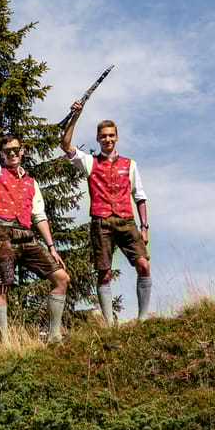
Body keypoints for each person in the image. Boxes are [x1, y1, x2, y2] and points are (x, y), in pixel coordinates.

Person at [0, 92, 70, 344]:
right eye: (8, 151)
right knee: (1, 286)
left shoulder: (31, 182)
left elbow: (40, 216)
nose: (13, 154)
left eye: (16, 149)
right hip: (1, 231)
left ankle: (53, 335)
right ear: (2, 154)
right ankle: (4, 343)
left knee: (61, 278)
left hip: (26, 234)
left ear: (23, 151)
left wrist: (51, 247)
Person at [60, 100, 151, 323]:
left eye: (111, 135)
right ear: (98, 139)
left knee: (143, 265)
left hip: (126, 220)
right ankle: (109, 322)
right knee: (105, 272)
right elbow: (65, 144)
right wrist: (76, 116)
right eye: (103, 136)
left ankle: (143, 317)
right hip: (101, 221)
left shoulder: (130, 164)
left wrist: (144, 226)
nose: (108, 139)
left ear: (116, 137)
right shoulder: (90, 162)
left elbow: (139, 196)